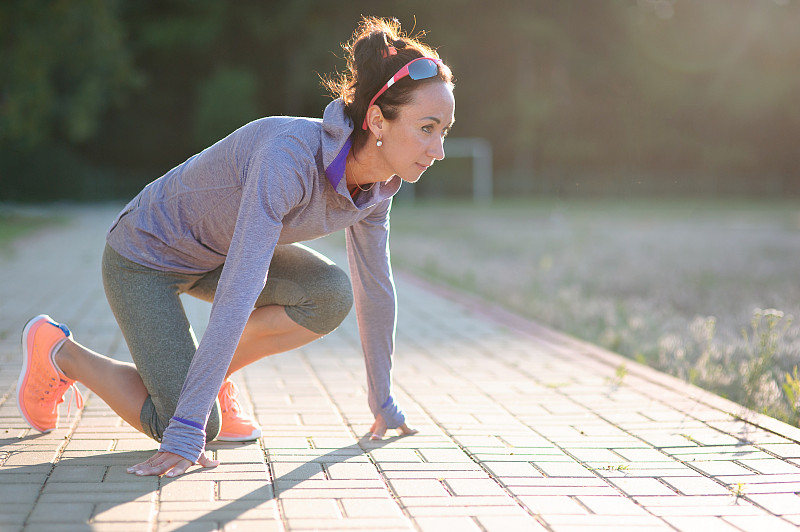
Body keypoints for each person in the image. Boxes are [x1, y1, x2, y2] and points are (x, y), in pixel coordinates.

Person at [16, 16, 455, 478]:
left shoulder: (379, 185)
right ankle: (59, 352)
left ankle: (207, 376)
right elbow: (245, 282)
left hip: (216, 255)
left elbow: (375, 286)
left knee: (330, 294)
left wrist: (382, 398)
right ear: (376, 121)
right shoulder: (287, 158)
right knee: (194, 425)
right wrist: (184, 429)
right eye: (427, 128)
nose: (439, 149)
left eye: (443, 130)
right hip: (144, 258)